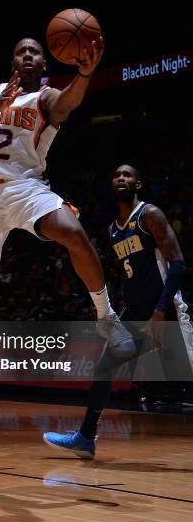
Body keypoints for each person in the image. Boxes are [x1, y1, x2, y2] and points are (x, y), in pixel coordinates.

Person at [0, 37, 136, 416]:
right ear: (13, 60)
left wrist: (85, 74)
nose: (28, 55)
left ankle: (106, 317)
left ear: (45, 60)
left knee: (72, 231)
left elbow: (69, 102)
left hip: (25, 186)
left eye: (35, 51)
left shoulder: (47, 97)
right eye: (21, 50)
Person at [43, 164, 193, 458]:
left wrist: (160, 313)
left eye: (128, 175)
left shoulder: (150, 215)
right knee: (104, 367)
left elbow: (177, 266)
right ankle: (86, 437)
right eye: (116, 175)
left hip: (167, 311)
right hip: (136, 314)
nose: (122, 178)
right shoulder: (113, 230)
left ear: (138, 184)